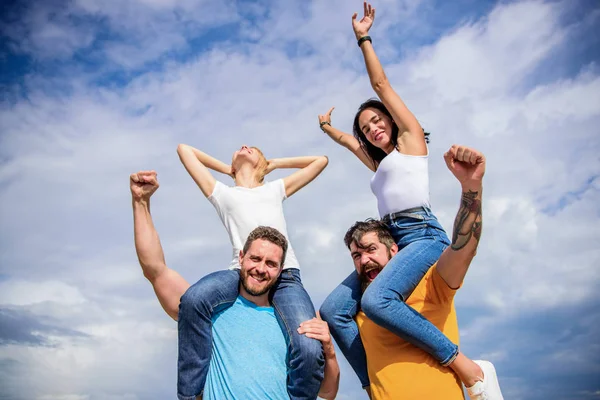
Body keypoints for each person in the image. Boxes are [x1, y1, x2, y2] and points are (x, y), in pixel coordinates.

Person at [318, 3, 497, 396]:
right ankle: (371, 385)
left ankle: (464, 365)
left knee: (379, 301)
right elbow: (351, 144)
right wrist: (329, 129)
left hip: (422, 235)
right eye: (367, 128)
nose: (373, 128)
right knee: (334, 310)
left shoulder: (411, 143)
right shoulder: (379, 164)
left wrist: (363, 38)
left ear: (391, 118)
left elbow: (381, 86)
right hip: (392, 237)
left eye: (377, 120)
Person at [130, 171, 339, 400]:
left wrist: (328, 351)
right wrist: (141, 202)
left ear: (281, 270)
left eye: (271, 264)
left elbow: (327, 393)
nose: (260, 268)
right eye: (255, 259)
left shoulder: (295, 324)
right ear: (241, 258)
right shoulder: (211, 311)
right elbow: (155, 269)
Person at [345, 145, 503, 399]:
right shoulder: (357, 309)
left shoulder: (430, 282)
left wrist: (471, 187)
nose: (365, 260)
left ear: (395, 250)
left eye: (371, 249)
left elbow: (464, 248)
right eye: (356, 255)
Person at [174, 144, 328, 399]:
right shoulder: (222, 193)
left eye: (253, 149)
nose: (245, 146)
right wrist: (229, 170)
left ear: (262, 163)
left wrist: (274, 163)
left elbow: (320, 161)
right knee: (193, 299)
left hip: (286, 275)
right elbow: (184, 150)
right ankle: (191, 394)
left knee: (309, 348)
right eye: (239, 148)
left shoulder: (274, 188)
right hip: (240, 272)